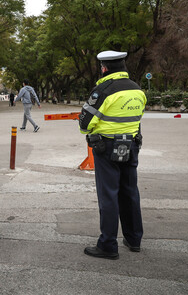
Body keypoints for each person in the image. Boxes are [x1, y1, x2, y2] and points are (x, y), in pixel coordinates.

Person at [78, 50, 146, 260]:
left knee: (109, 195)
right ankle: (134, 239)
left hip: (106, 148)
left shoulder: (103, 91)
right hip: (132, 146)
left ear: (104, 68)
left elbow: (85, 124)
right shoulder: (137, 90)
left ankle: (108, 244)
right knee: (130, 192)